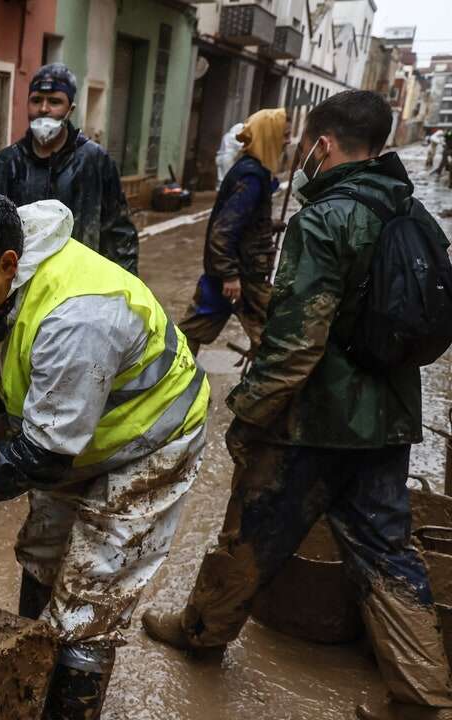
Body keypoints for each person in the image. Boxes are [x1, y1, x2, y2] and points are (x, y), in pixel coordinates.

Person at [140, 90, 452, 720]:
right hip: (387, 422)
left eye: (310, 143)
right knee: (388, 551)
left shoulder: (324, 219)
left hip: (312, 423)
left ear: (325, 144)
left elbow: (294, 342)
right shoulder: (410, 212)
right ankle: (423, 696)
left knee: (249, 531)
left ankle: (201, 631)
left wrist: (248, 414)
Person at [0, 190, 209, 719]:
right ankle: (31, 672)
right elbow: (19, 364)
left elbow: (42, 457)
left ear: (8, 263)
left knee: (89, 603)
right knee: (42, 555)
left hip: (150, 441)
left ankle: (64, 702)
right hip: (81, 427)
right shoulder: (9, 272)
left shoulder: (77, 320)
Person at [0, 63, 139, 275]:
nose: (44, 108)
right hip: (21, 288)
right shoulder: (5, 163)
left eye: (55, 101)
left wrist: (125, 288)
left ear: (70, 109)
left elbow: (119, 234)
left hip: (80, 286)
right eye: (36, 100)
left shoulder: (95, 161)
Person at [178, 108, 289, 357]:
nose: (288, 141)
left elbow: (241, 223)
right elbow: (223, 230)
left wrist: (266, 226)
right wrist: (229, 275)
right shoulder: (251, 177)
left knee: (192, 330)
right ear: (269, 136)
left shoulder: (253, 171)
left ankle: (172, 379)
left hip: (238, 272)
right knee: (276, 340)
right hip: (242, 276)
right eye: (284, 135)